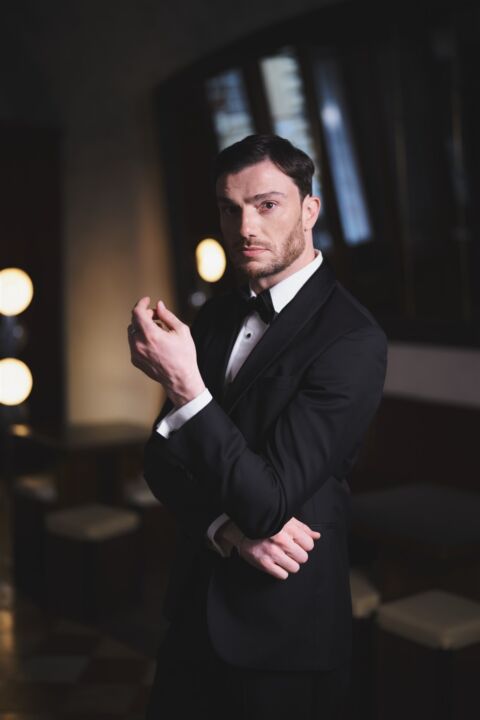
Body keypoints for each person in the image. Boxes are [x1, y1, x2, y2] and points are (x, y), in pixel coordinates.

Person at [128, 134, 387, 719]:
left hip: (283, 629)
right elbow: (160, 461)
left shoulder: (353, 338)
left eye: (267, 204)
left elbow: (269, 502)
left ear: (310, 210)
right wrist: (225, 529)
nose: (245, 227)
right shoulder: (215, 314)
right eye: (230, 208)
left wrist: (186, 385)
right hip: (192, 610)